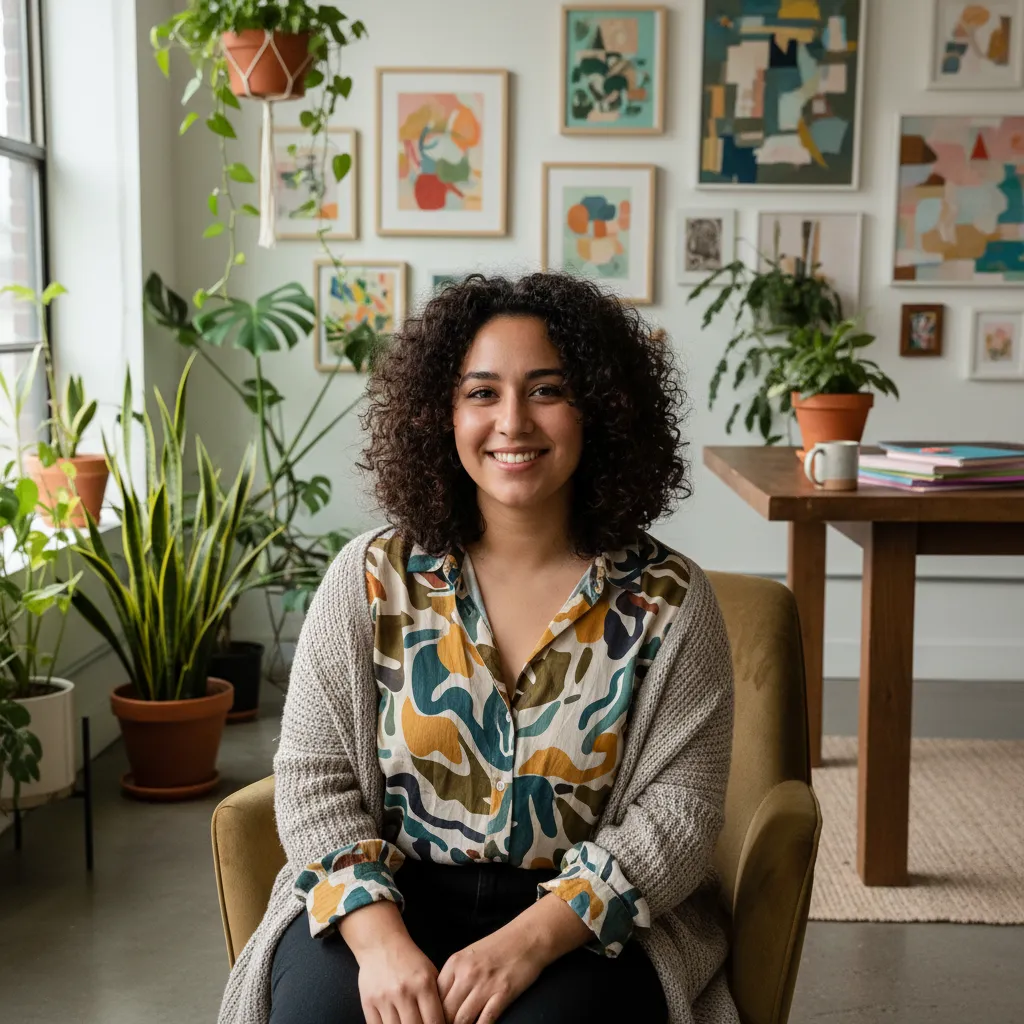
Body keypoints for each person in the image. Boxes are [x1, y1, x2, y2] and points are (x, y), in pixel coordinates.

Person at [217, 272, 739, 1024]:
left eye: (547, 390)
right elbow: (314, 779)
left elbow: (680, 817)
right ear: (442, 413)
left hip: (584, 920)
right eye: (483, 393)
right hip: (384, 895)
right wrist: (380, 943)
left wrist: (530, 940)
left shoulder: (671, 601)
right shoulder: (370, 578)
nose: (513, 422)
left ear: (600, 410)